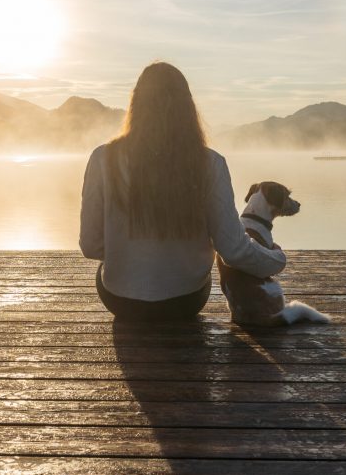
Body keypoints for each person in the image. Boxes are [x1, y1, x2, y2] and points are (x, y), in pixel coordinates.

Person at [79, 62, 286, 322]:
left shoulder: (102, 159)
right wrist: (276, 259)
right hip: (185, 301)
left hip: (121, 302)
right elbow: (233, 250)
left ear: (136, 104)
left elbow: (90, 246)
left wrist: (131, 257)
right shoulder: (210, 163)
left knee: (105, 272)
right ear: (188, 108)